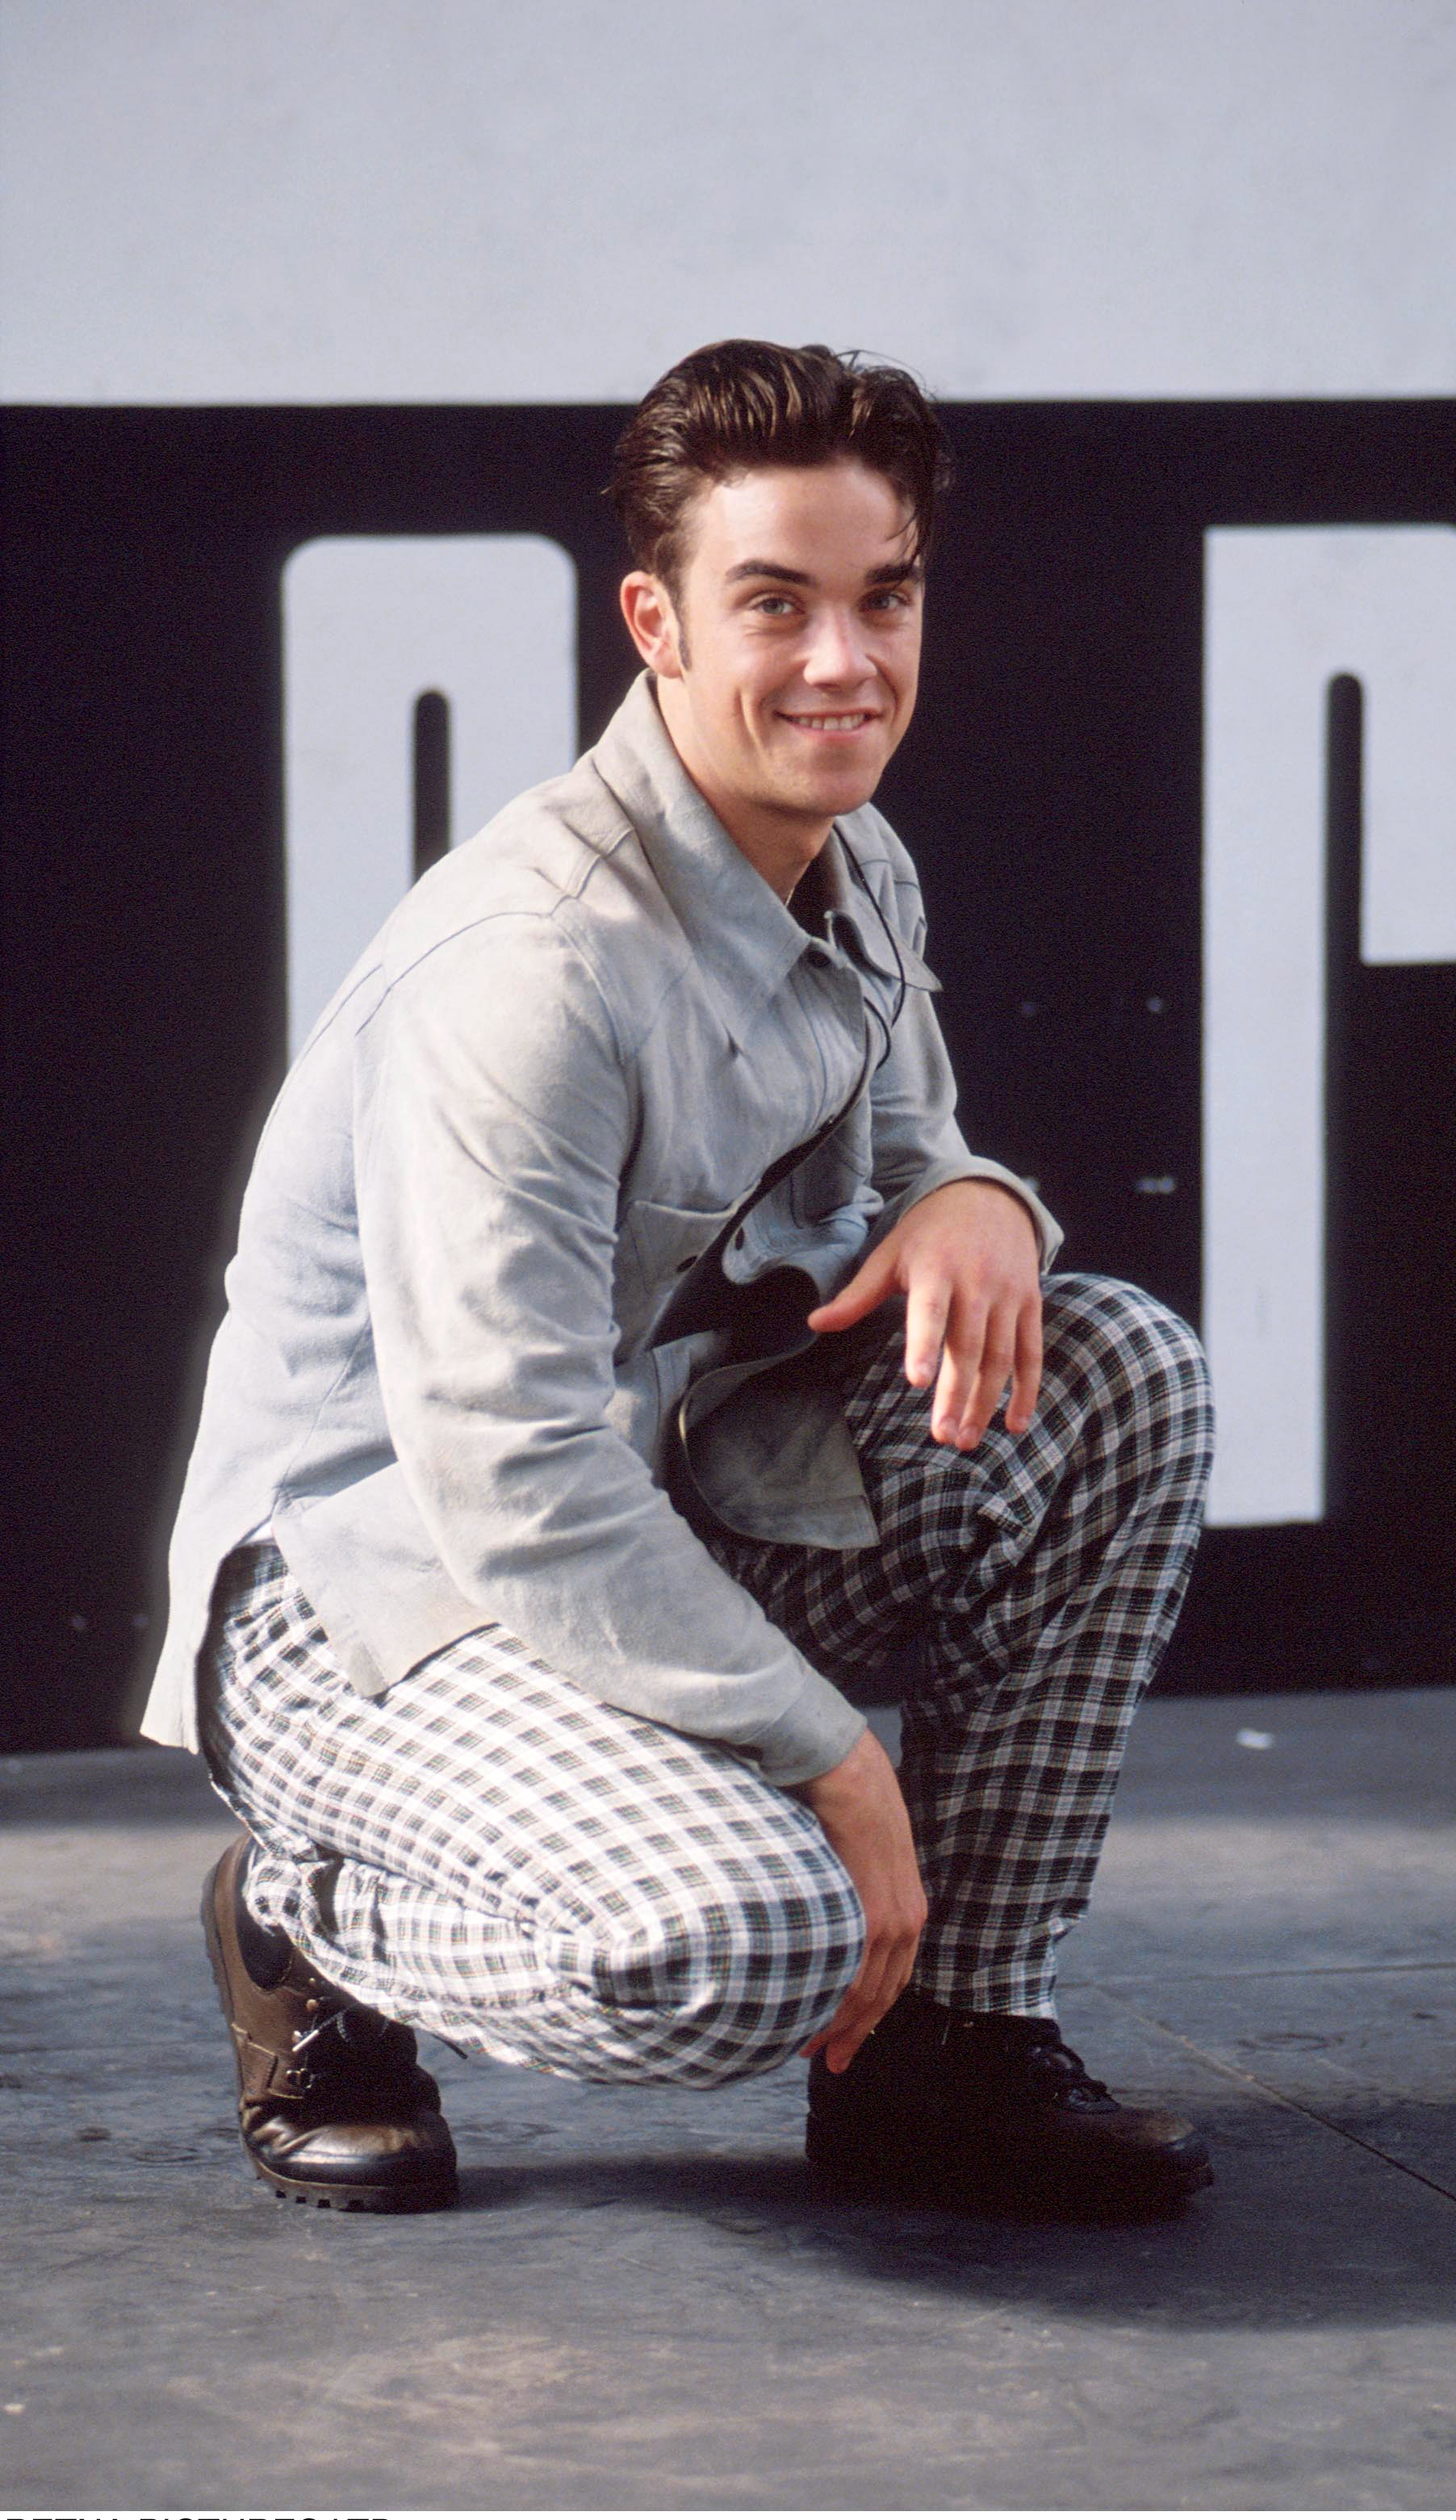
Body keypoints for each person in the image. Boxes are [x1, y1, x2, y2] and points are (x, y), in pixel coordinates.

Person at [145, 339, 1215, 2220]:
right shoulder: (537, 963)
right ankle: (304, 1912)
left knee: (1118, 1372)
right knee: (748, 1935)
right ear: (654, 621)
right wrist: (834, 1764)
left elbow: (911, 1156)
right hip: (370, 1582)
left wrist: (983, 1200)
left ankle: (942, 2049)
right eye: (773, 606)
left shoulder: (848, 854)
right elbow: (504, 1471)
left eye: (882, 597)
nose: (843, 663)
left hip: (639, 1494)